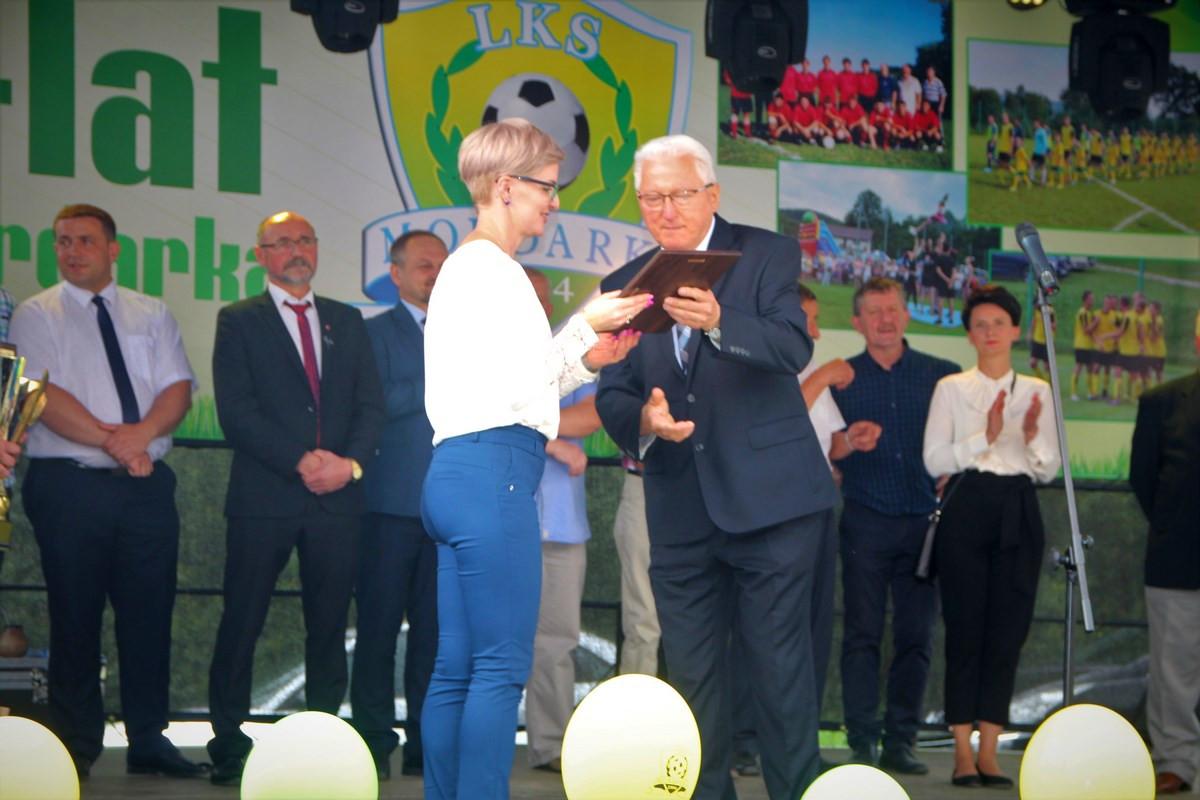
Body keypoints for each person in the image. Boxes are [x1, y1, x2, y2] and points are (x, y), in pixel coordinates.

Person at [596, 134, 839, 800]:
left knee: (779, 671)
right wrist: (644, 421)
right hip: (679, 509)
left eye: (679, 194)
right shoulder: (624, 285)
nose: (666, 210)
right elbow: (613, 393)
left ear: (712, 194)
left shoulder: (765, 254)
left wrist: (719, 320)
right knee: (692, 679)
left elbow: (791, 347)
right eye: (651, 198)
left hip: (772, 506)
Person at [419, 118, 648, 800]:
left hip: (457, 472)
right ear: (505, 185)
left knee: (457, 668)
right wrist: (585, 324)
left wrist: (586, 356)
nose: (554, 200)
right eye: (547, 186)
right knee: (498, 668)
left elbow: (521, 382)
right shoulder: (494, 270)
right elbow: (517, 388)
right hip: (494, 475)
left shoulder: (469, 267)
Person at [9, 203, 203, 779]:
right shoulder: (35, 312)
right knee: (74, 615)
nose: (72, 251)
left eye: (85, 241)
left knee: (150, 614)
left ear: (113, 249)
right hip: (69, 486)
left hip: (145, 487)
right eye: (62, 241)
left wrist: (139, 439)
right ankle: (75, 746)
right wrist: (120, 443)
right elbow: (43, 396)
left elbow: (177, 389)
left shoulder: (151, 312)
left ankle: (149, 738)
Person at [206, 210, 386, 787]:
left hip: (337, 501)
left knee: (329, 627)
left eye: (304, 240)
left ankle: (322, 741)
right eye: (282, 243)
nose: (296, 250)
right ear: (261, 255)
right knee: (242, 621)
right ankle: (229, 744)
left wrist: (348, 465)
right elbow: (236, 412)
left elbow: (371, 405)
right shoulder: (238, 320)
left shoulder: (346, 319)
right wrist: (301, 460)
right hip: (265, 498)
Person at [922, 284, 1060, 789]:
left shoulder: (1039, 391)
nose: (990, 332)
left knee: (1007, 632)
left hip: (1018, 508)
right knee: (965, 630)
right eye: (980, 325)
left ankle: (989, 752)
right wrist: (988, 434)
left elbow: (1048, 468)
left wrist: (1029, 437)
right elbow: (934, 459)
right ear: (969, 335)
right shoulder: (951, 388)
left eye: (999, 323)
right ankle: (961, 751)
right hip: (967, 505)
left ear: (1016, 330)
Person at [830, 277, 958, 775]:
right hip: (864, 520)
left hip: (925, 522)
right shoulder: (841, 378)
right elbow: (824, 448)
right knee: (861, 633)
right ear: (857, 322)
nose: (885, 320)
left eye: (893, 309)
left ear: (907, 315)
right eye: (874, 312)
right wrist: (847, 442)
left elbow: (963, 442)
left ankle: (901, 741)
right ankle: (861, 741)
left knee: (916, 635)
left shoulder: (942, 376)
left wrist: (953, 470)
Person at [351, 230, 447, 780]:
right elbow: (373, 402)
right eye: (424, 265)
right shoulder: (372, 333)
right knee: (378, 631)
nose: (434, 274)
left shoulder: (464, 331)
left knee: (434, 638)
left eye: (441, 265)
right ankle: (371, 744)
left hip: (446, 510)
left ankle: (424, 747)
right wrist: (436, 384)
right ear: (397, 274)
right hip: (388, 506)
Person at [522, 267, 601, 775]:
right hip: (506, 521)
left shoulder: (566, 351)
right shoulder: (487, 351)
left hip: (563, 524)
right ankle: (477, 745)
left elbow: (594, 413)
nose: (538, 306)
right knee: (490, 643)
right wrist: (553, 440)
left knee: (557, 641)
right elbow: (485, 413)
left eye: (543, 299)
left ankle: (550, 747)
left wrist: (535, 428)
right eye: (527, 297)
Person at [1130, 320, 1200, 797]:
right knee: (1172, 670)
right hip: (1178, 557)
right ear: (1197, 340)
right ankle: (1176, 760)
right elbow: (1143, 478)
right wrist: (1174, 522)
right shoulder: (1161, 401)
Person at [1070, 290, 1099, 401]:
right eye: (1091, 299)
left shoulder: (1089, 313)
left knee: (1089, 368)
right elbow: (1086, 330)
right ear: (1086, 300)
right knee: (1078, 367)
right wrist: (1096, 322)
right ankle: (1073, 393)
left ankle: (1090, 392)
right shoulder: (1082, 313)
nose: (1093, 301)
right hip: (1081, 344)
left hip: (1088, 345)